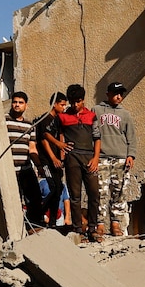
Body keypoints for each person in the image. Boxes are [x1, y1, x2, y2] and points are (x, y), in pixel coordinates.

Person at [93, 82, 138, 236]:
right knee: (101, 191)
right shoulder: (97, 110)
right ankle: (100, 223)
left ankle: (115, 223)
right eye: (115, 93)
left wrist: (131, 155)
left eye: (121, 94)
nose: (119, 96)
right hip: (102, 158)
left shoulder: (125, 114)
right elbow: (92, 133)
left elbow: (131, 136)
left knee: (119, 192)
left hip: (120, 157)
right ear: (108, 94)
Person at [58, 84, 101, 241]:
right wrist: (62, 151)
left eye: (78, 101)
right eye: (72, 102)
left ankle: (92, 228)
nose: (75, 105)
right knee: (75, 195)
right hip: (72, 159)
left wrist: (96, 158)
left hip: (89, 158)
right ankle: (78, 230)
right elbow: (59, 136)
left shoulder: (91, 116)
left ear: (83, 100)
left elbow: (97, 138)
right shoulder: (63, 117)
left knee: (94, 194)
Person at [6, 91, 44, 227]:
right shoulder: (4, 121)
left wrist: (39, 166)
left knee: (34, 198)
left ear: (26, 106)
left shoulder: (30, 125)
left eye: (20, 103)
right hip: (9, 170)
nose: (17, 105)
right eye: (15, 102)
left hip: (25, 169)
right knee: (12, 200)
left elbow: (32, 149)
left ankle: (34, 226)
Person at [35, 92, 68, 229]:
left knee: (59, 188)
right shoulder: (45, 119)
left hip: (57, 160)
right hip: (46, 160)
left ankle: (53, 221)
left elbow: (61, 136)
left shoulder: (58, 120)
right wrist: (53, 157)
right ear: (54, 104)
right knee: (53, 188)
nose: (64, 107)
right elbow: (44, 140)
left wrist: (61, 156)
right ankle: (38, 213)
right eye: (62, 105)